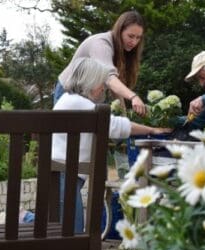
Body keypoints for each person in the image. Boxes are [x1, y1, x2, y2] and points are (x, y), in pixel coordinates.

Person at [52, 57, 171, 233]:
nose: (103, 87)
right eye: (102, 83)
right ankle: (26, 218)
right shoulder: (80, 103)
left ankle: (27, 219)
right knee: (73, 232)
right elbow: (117, 125)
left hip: (61, 173)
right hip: (65, 174)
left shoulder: (68, 100)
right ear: (91, 82)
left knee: (65, 227)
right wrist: (153, 130)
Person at [53, 10, 146, 116]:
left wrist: (124, 118)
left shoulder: (121, 49)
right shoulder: (101, 44)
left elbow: (115, 87)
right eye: (130, 36)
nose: (134, 42)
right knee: (69, 130)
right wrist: (133, 97)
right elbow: (110, 79)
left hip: (88, 96)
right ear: (119, 31)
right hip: (68, 92)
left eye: (138, 38)